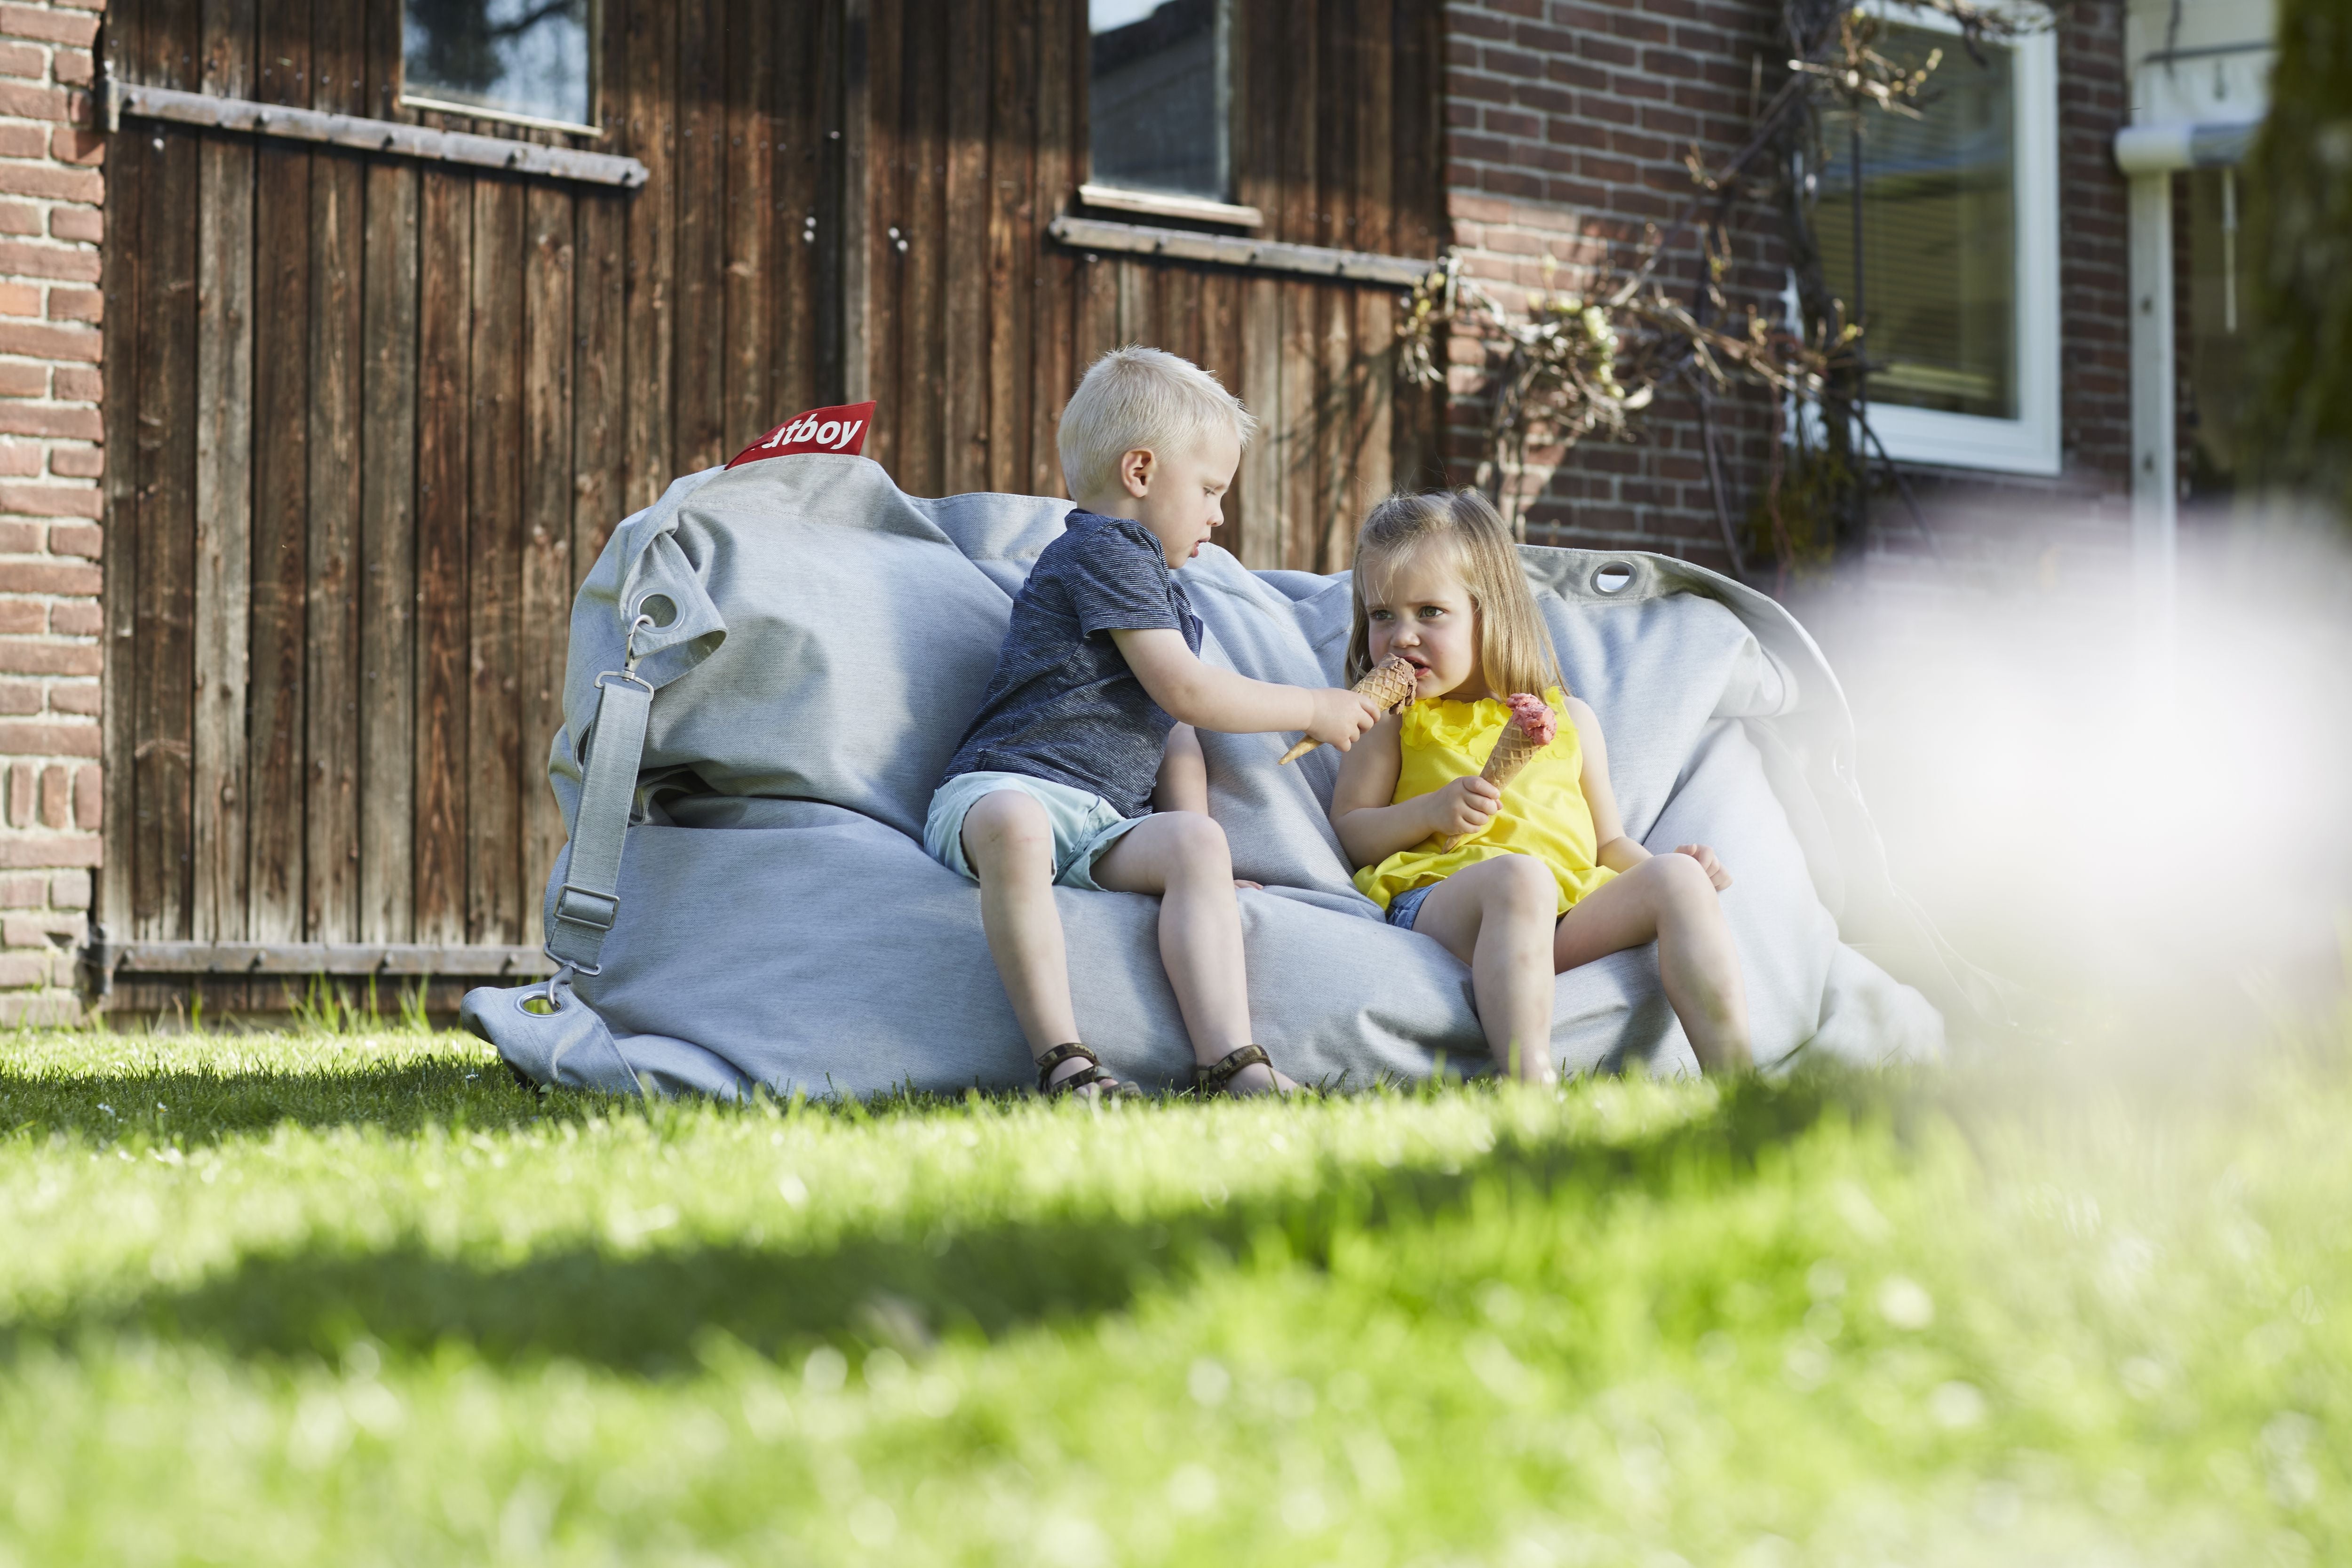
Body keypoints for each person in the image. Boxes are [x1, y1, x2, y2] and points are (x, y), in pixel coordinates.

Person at [926, 346, 1384, 1098]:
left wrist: (1199, 858)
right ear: (1140, 474)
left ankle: (1233, 1061)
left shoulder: (1169, 597)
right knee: (1018, 822)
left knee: (1199, 837)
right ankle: (1065, 1062)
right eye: (1209, 488)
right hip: (1004, 791)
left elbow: (1177, 734)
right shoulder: (1104, 547)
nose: (1220, 513)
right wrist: (1312, 706)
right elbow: (1187, 693)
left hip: (1102, 824)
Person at [1327, 491, 1753, 1082]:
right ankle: (1528, 1084)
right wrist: (1430, 811)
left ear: (1490, 612)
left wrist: (1680, 874)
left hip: (1563, 911)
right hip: (1446, 904)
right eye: (1382, 616)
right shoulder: (1395, 720)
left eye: (1429, 612)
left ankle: (1738, 1082)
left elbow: (1608, 845)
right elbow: (1351, 829)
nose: (1401, 636)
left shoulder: (1570, 719)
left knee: (1675, 878)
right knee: (1519, 876)